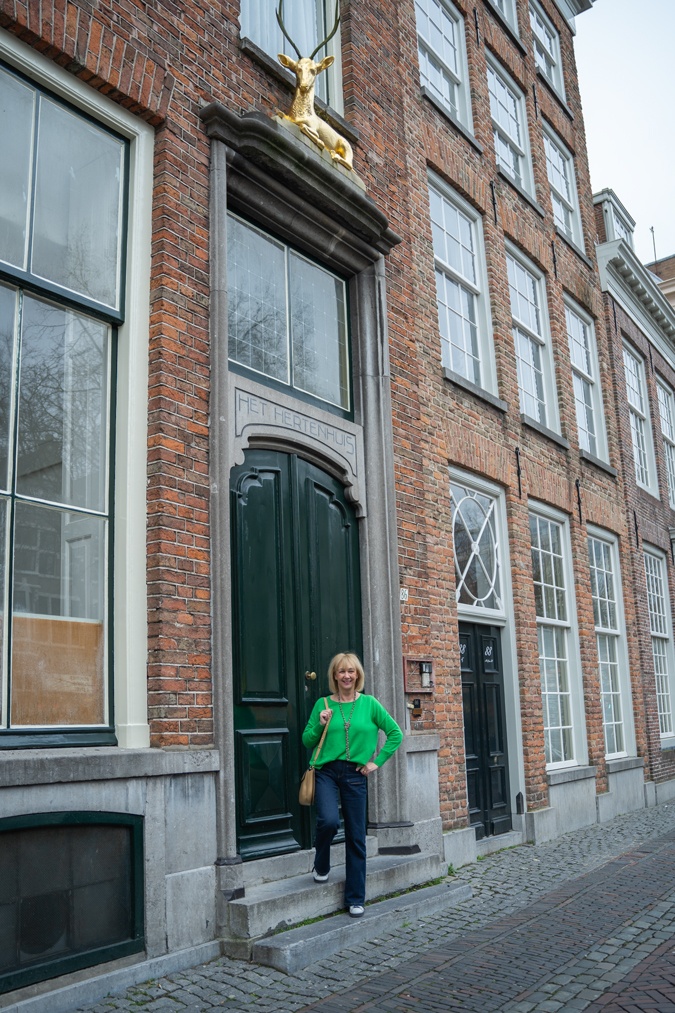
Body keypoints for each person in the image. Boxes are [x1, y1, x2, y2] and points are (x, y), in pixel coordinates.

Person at [301, 651, 403, 918]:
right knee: (329, 822)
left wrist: (375, 762)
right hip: (326, 771)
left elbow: (395, 733)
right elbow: (307, 741)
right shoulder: (323, 704)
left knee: (356, 835)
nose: (347, 676)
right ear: (334, 675)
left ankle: (356, 897)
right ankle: (321, 864)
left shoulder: (370, 704)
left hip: (356, 774)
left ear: (358, 675)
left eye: (351, 671)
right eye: (341, 671)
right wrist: (320, 724)